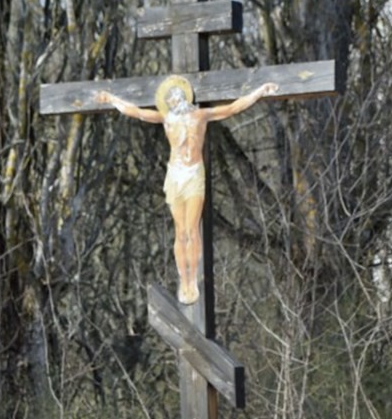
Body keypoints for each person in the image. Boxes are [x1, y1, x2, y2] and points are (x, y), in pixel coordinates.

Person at [96, 75, 278, 304]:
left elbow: (233, 107)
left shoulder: (200, 115)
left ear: (183, 96)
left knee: (192, 229)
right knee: (180, 231)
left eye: (175, 97)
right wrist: (112, 99)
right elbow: (136, 112)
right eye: (169, 100)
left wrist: (260, 90)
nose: (173, 102)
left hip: (193, 175)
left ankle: (193, 281)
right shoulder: (166, 118)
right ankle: (184, 279)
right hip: (175, 176)